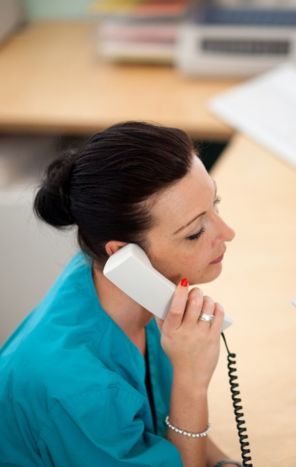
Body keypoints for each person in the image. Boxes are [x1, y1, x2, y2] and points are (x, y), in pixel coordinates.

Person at [0, 122, 243, 466]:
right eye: (194, 233)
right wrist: (192, 381)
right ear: (124, 254)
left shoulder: (128, 287)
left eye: (214, 204)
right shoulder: (79, 390)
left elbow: (164, 421)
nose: (227, 233)